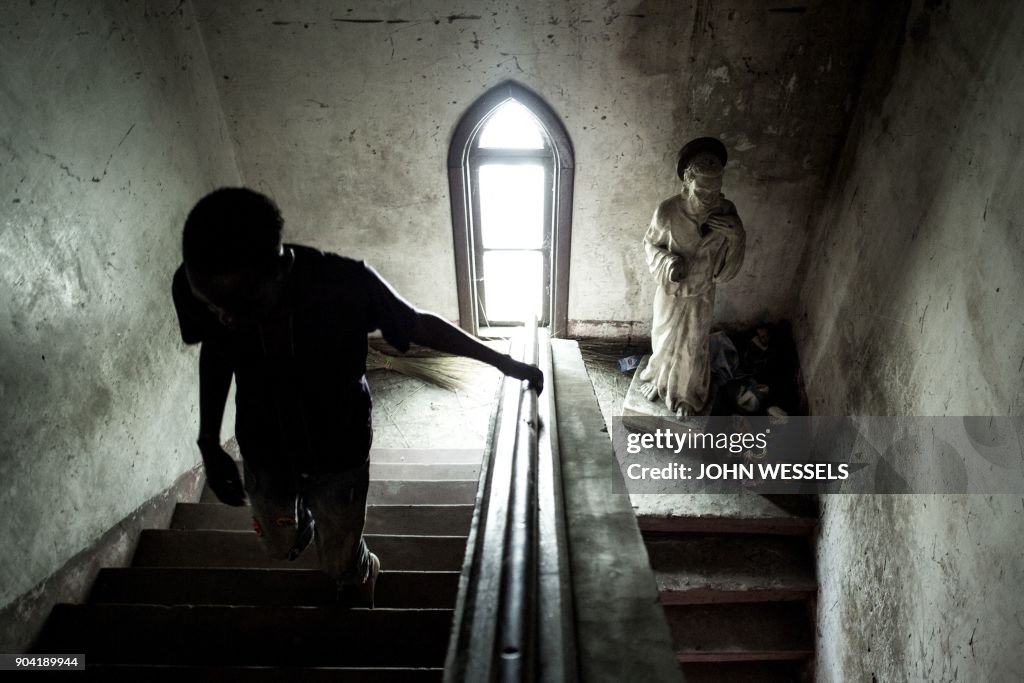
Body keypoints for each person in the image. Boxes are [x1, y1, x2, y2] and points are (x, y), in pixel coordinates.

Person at [171, 187, 543, 607]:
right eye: (212, 303)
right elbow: (216, 352)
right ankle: (304, 523)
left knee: (339, 558)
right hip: (263, 446)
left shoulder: (344, 284)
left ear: (277, 268)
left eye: (237, 304)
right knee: (279, 545)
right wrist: (207, 441)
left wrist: (500, 360)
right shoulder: (194, 285)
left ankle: (359, 570)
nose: (225, 316)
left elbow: (416, 324)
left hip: (337, 451)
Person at [638, 138, 746, 417]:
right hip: (671, 291)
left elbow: (725, 274)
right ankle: (660, 382)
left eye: (715, 191)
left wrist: (737, 237)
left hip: (702, 293)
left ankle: (685, 395)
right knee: (663, 339)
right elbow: (650, 245)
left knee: (693, 344)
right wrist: (669, 263)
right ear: (687, 182)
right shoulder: (668, 211)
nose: (709, 198)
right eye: (702, 190)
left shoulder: (726, 213)